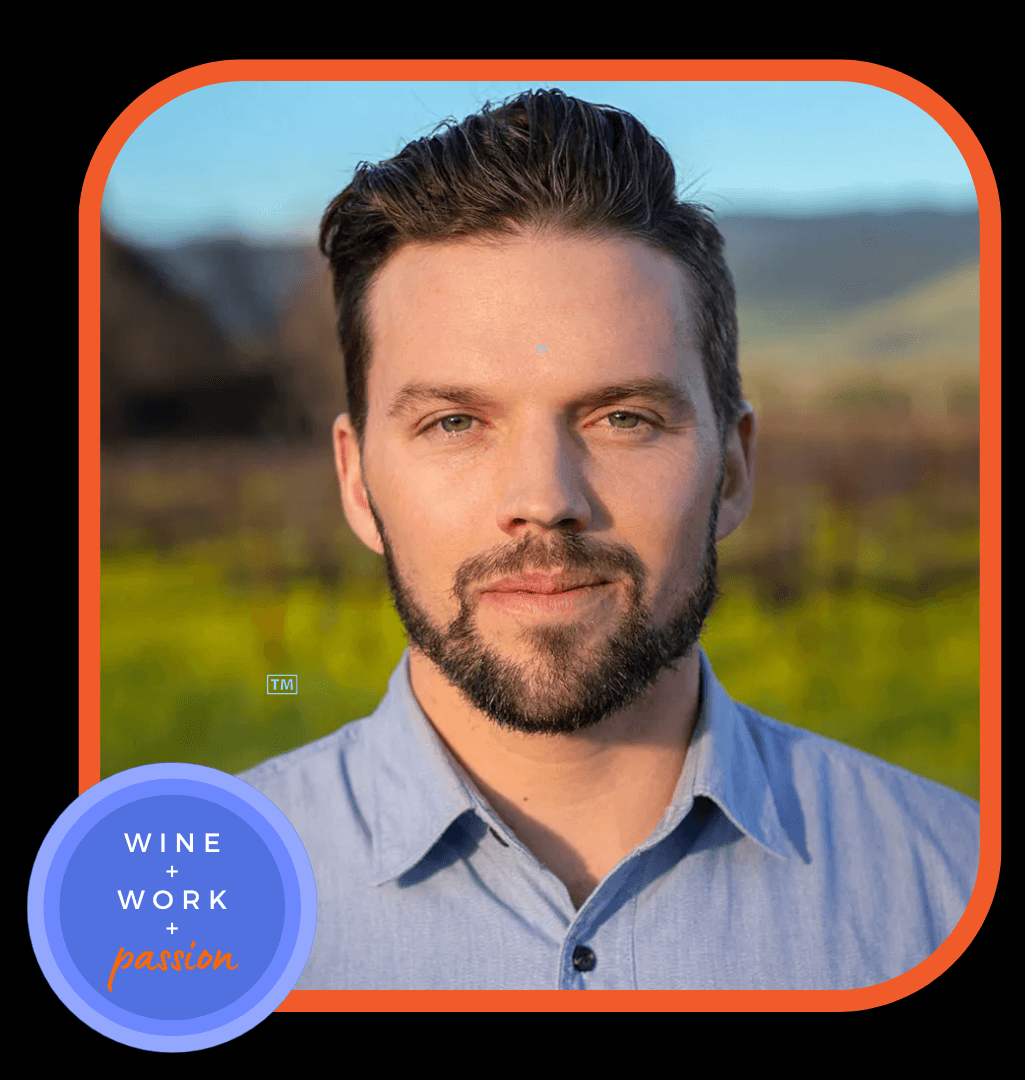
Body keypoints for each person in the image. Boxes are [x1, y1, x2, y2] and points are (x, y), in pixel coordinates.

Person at [239, 88, 979, 990]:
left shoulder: (948, 886)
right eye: (454, 423)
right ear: (356, 483)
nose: (544, 500)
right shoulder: (200, 908)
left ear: (734, 469)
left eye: (622, 417)